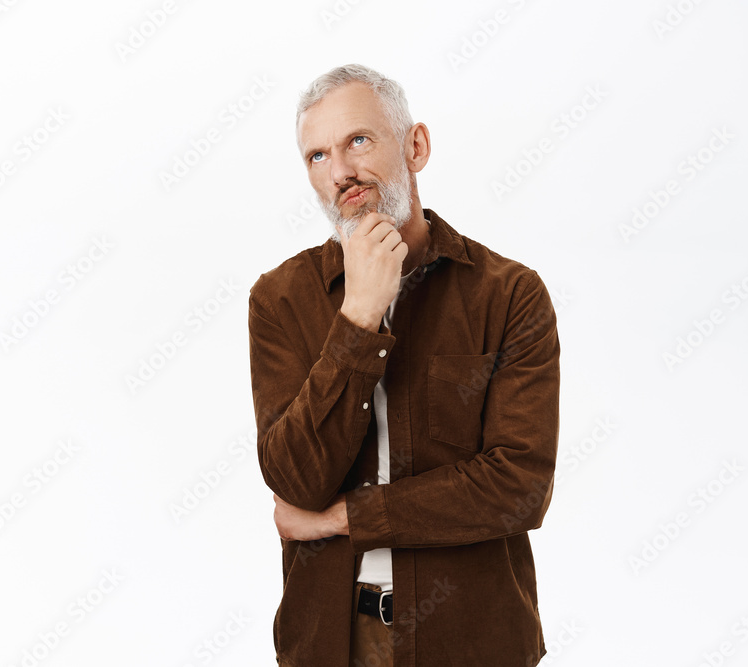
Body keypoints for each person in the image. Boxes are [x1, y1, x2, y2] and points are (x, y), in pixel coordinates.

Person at [247, 63, 561, 666]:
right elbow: (294, 478)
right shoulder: (281, 299)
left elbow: (519, 486)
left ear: (415, 146)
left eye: (357, 141)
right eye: (317, 156)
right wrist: (359, 319)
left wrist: (344, 518)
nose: (340, 171)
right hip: (334, 641)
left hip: (473, 640)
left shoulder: (509, 294)